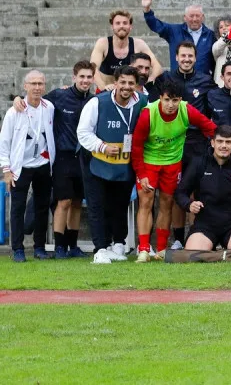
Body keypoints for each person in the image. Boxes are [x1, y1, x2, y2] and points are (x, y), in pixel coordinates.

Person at [11, 61, 96, 258]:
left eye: (88, 77)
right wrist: (17, 98)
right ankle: (59, 247)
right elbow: (33, 99)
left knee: (76, 202)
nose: (85, 80)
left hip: (84, 158)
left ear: (93, 79)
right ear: (74, 77)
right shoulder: (58, 96)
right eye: (81, 76)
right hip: (62, 158)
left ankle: (72, 246)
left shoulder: (94, 100)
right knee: (63, 202)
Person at [131, 79, 217, 262]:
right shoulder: (149, 113)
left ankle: (161, 249)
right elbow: (136, 146)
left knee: (167, 203)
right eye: (167, 100)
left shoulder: (186, 110)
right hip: (149, 162)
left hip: (172, 163)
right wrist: (142, 174)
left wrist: (214, 149)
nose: (171, 105)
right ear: (160, 98)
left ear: (181, 100)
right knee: (145, 202)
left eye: (175, 100)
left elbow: (209, 128)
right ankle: (144, 249)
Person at [77, 66, 148, 264]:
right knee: (97, 206)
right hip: (96, 161)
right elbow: (83, 132)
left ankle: (118, 244)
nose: (126, 87)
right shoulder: (97, 102)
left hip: (124, 163)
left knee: (120, 205)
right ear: (115, 83)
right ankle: (100, 248)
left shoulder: (143, 102)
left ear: (136, 85)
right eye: (122, 82)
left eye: (131, 83)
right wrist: (102, 146)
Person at [175, 126, 231, 261]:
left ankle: (214, 255)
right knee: (193, 255)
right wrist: (189, 204)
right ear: (213, 143)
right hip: (205, 223)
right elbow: (180, 192)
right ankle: (221, 255)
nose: (224, 146)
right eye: (220, 141)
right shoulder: (199, 162)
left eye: (228, 142)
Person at [0, 71, 55, 262]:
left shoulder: (49, 107)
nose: (37, 87)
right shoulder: (14, 111)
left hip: (43, 164)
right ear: (25, 86)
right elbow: (4, 141)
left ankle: (39, 248)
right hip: (20, 166)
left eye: (41, 83)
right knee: (17, 207)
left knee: (41, 207)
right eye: (33, 83)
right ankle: (18, 249)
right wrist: (6, 169)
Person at [140, 0, 216, 76]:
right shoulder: (174, 31)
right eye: (191, 16)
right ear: (185, 17)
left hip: (202, 83)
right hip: (177, 81)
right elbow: (155, 25)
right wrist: (147, 10)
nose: (194, 19)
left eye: (197, 16)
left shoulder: (211, 35)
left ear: (202, 17)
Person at [90, 9, 163, 91]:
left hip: (129, 93)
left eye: (125, 23)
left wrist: (150, 79)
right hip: (107, 90)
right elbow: (93, 68)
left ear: (130, 26)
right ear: (112, 27)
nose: (121, 26)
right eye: (118, 23)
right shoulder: (103, 43)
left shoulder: (138, 44)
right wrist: (103, 87)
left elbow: (157, 66)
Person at [211, 17, 231, 86]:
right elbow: (216, 49)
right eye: (221, 27)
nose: (224, 28)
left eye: (227, 25)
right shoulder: (218, 44)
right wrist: (229, 34)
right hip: (221, 85)